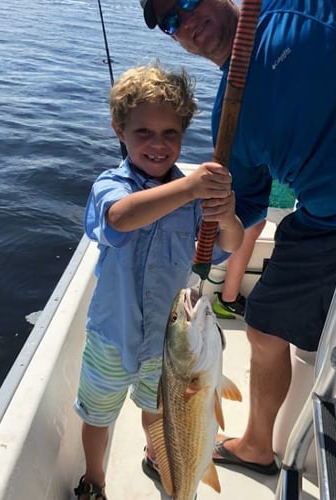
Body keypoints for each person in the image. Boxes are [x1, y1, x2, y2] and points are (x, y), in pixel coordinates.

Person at [140, 0, 336, 475]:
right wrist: (223, 213)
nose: (184, 21)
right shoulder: (230, 108)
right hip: (322, 223)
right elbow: (248, 203)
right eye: (170, 22)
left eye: (187, 1)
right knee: (263, 326)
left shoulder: (308, 6)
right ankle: (255, 446)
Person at [72, 63, 243, 498]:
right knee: (98, 416)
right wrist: (189, 191)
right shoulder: (111, 186)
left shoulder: (192, 196)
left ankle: (161, 457)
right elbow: (121, 218)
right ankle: (94, 478)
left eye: (170, 134)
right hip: (113, 338)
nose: (157, 144)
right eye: (143, 132)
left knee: (160, 414)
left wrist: (226, 214)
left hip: (167, 349)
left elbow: (231, 242)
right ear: (119, 131)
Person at [213, 181, 295, 319]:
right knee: (285, 238)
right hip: (282, 182)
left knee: (251, 226)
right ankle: (276, 304)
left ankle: (228, 300)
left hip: (255, 177)